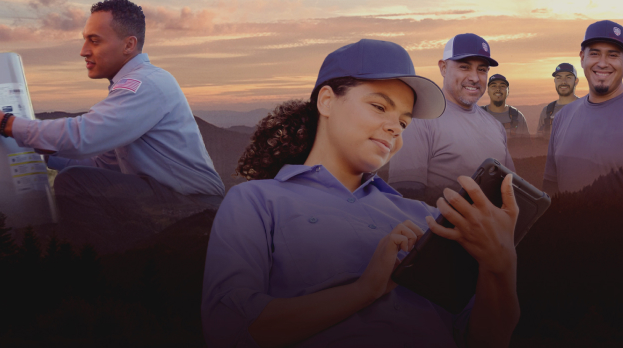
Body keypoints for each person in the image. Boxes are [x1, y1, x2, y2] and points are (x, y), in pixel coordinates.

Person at [202, 39, 520, 348]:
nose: (395, 128)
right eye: (379, 106)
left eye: (404, 123)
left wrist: (500, 266)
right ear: (326, 100)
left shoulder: (428, 218)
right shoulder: (256, 202)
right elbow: (227, 330)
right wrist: (364, 290)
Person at [0, 0, 224, 250]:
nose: (83, 51)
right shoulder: (132, 85)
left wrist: (6, 124)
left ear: (128, 45)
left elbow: (82, 137)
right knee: (78, 177)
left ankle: (102, 270)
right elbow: (102, 164)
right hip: (174, 197)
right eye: (85, 39)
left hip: (196, 207)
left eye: (94, 40)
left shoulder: (144, 84)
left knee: (74, 182)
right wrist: (40, 158)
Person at [386, 33, 515, 203]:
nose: (475, 78)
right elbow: (405, 199)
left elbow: (512, 193)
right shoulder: (419, 120)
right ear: (443, 68)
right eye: (464, 67)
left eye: (482, 70)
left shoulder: (495, 126)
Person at [543, 20, 623, 195]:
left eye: (613, 55)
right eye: (595, 53)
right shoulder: (563, 117)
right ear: (582, 58)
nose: (602, 63)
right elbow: (550, 186)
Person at [536, 63, 580, 139]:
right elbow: (539, 143)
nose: (563, 82)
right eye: (559, 78)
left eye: (568, 77)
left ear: (576, 81)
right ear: (555, 81)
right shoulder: (547, 111)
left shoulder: (587, 108)